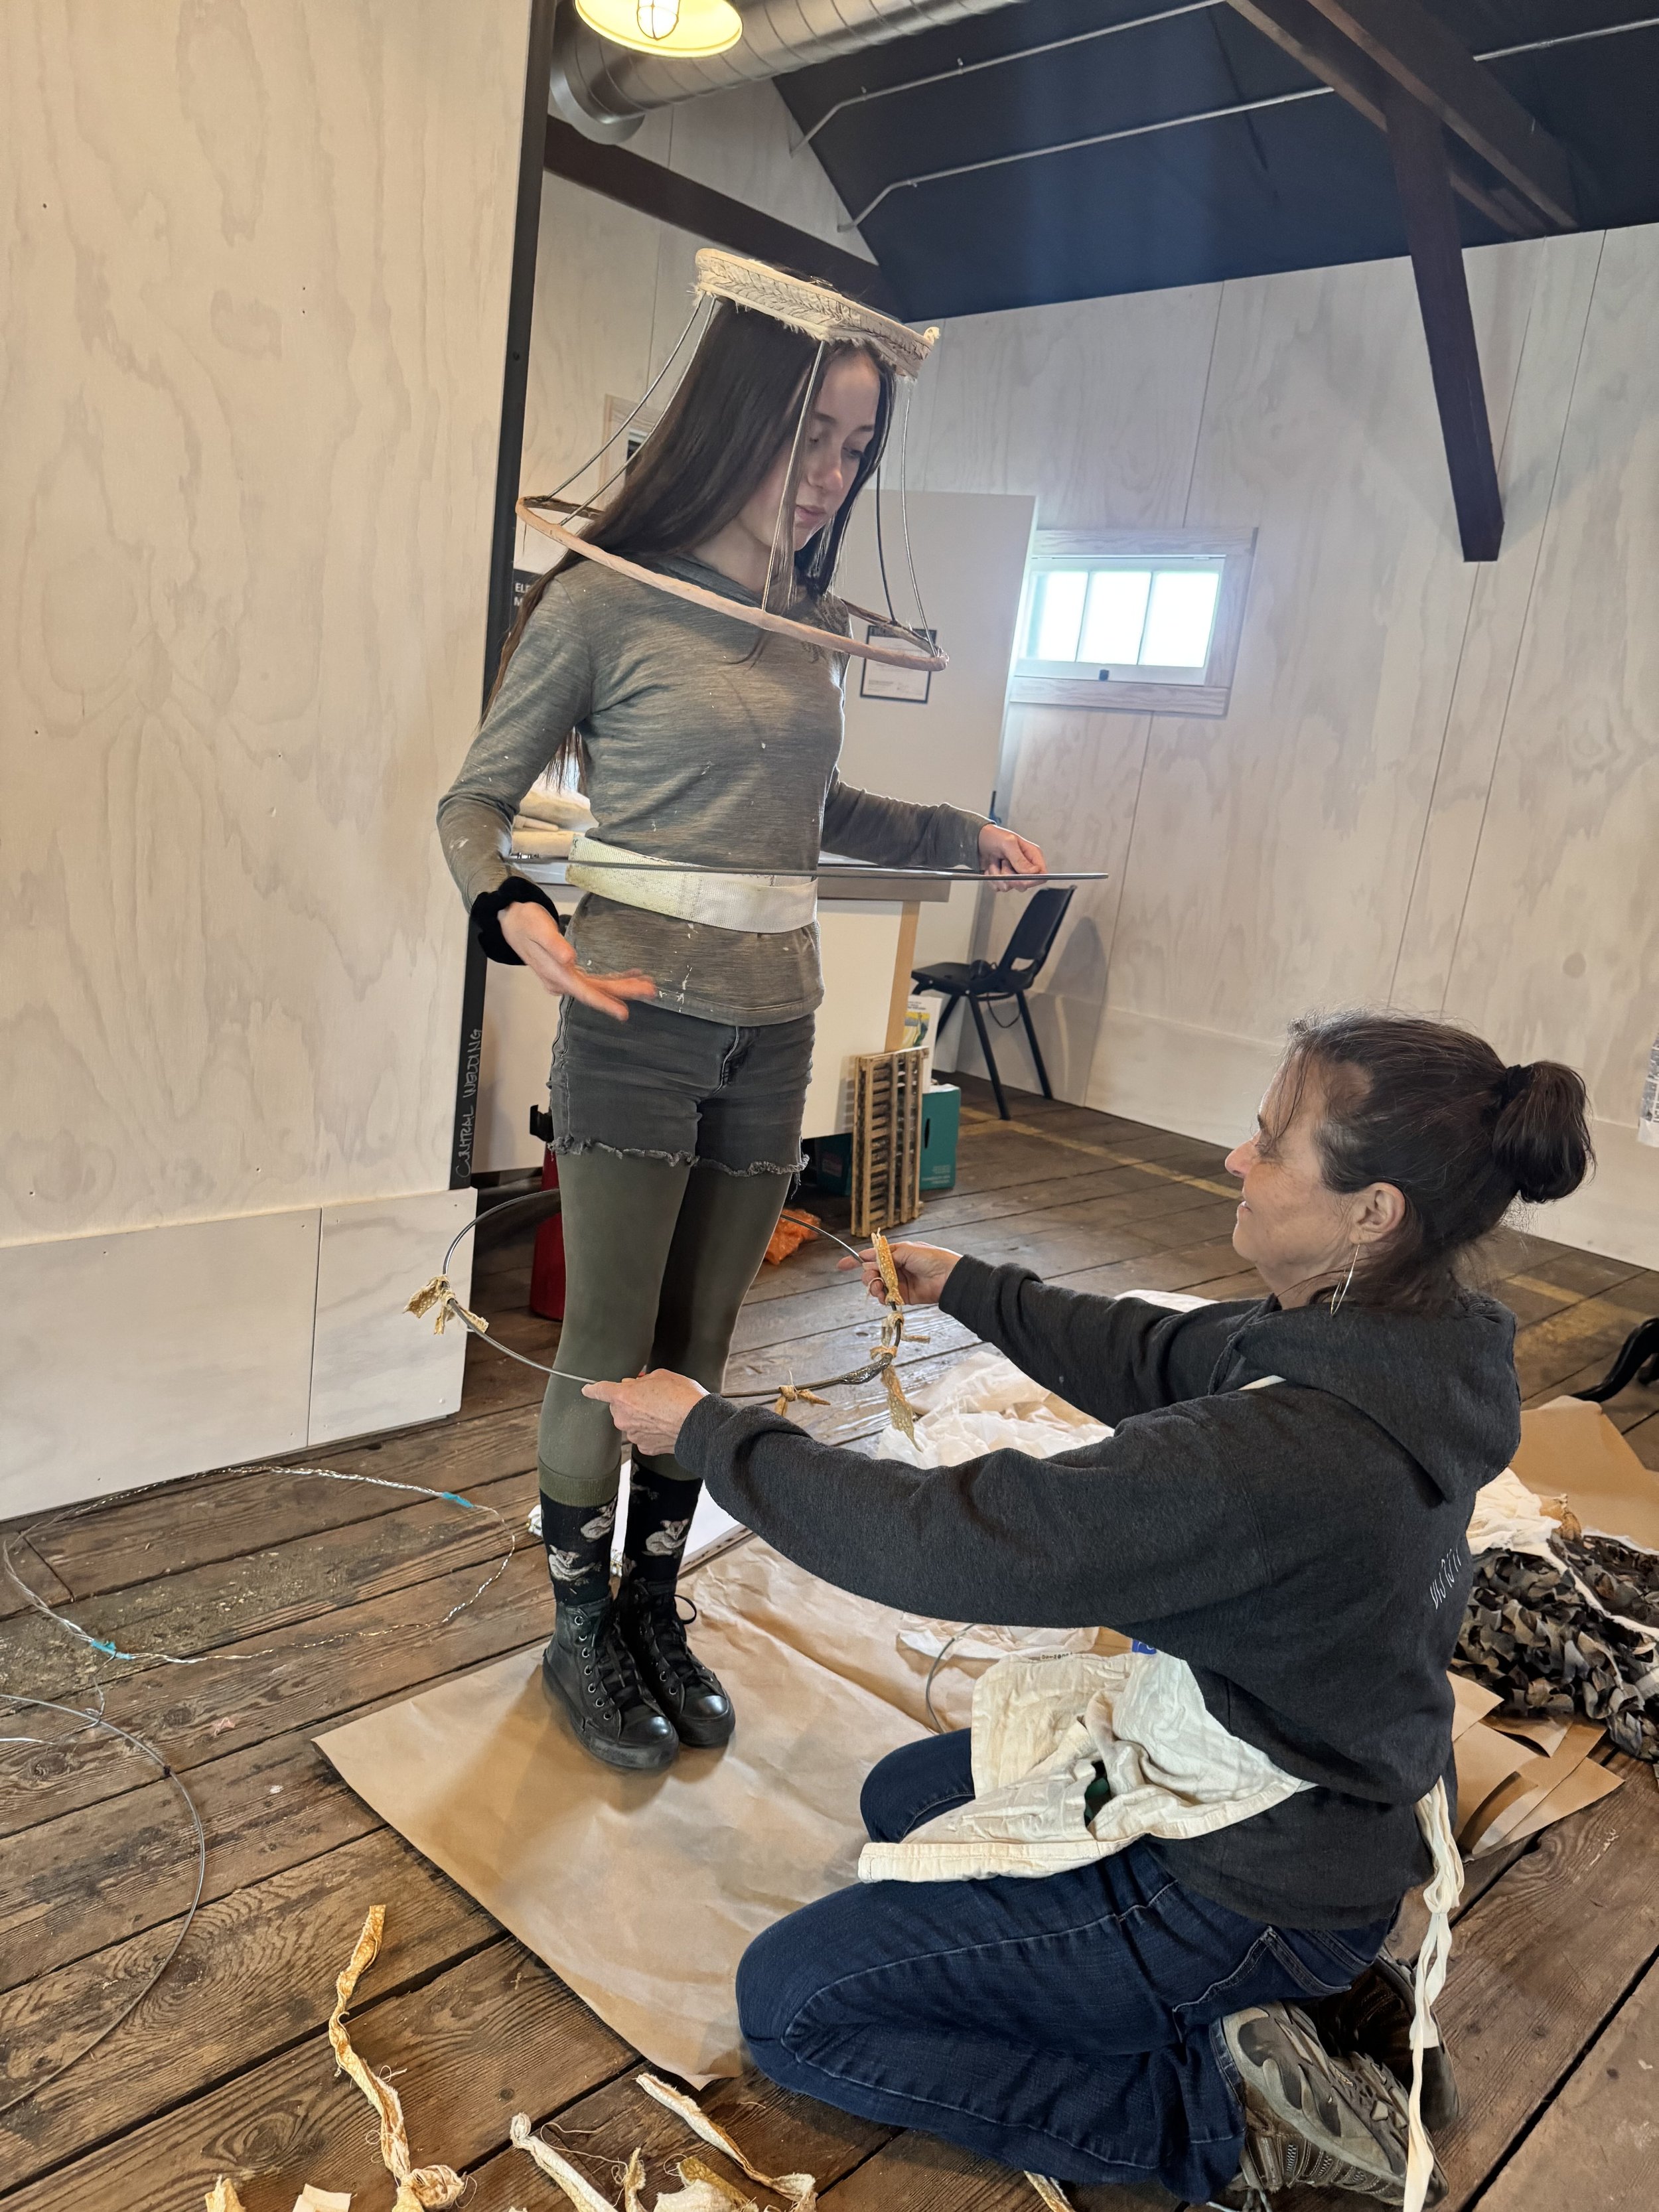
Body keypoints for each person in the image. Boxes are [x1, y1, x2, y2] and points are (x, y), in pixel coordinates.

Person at [587, 1011, 1593, 2205]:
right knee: (899, 1800)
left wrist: (711, 1432)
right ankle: (1299, 1985)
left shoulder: (1283, 1454)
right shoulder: (1417, 1335)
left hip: (1256, 1867)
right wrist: (968, 1285)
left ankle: (1226, 2119)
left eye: (1272, 1143)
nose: (1238, 1157)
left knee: (797, 2007)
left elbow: (945, 1538)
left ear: (1373, 1212)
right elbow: (1167, 1351)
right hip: (1322, 1786)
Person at [437, 284, 1045, 1775]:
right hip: (636, 1017)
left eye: (853, 447)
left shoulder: (808, 622)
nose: (828, 476)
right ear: (728, 428)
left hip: (776, 1020)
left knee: (701, 1346)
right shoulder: (601, 599)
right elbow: (472, 803)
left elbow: (809, 810)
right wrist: (516, 914)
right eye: (807, 439)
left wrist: (956, 827)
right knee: (605, 1341)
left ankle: (654, 1602)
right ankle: (577, 1620)